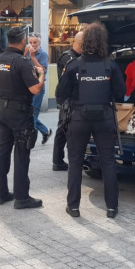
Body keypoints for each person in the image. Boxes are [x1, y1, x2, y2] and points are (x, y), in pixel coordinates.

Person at [56, 22, 124, 219]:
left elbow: (60, 95)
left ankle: (73, 207)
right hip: (104, 118)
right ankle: (112, 208)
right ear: (103, 42)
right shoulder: (111, 65)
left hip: (79, 119)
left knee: (75, 163)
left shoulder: (73, 65)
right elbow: (121, 93)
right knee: (108, 162)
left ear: (84, 42)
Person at [0, 26, 46, 209]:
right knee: (22, 154)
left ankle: (1, 193)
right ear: (23, 42)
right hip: (20, 113)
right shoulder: (21, 62)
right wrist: (41, 74)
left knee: (3, 151)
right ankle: (22, 198)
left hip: (2, 110)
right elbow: (35, 89)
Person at [51, 31, 84, 171]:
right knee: (63, 130)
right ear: (80, 44)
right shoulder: (68, 58)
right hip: (67, 101)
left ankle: (60, 160)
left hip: (76, 100)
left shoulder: (80, 58)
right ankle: (58, 161)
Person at [26, 32, 52, 144]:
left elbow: (42, 71)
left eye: (35, 42)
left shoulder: (43, 55)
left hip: (38, 88)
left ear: (39, 43)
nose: (33, 44)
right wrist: (25, 53)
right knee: (29, 115)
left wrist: (32, 57)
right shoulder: (27, 53)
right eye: (31, 42)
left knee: (32, 116)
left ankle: (29, 139)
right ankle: (45, 132)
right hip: (27, 87)